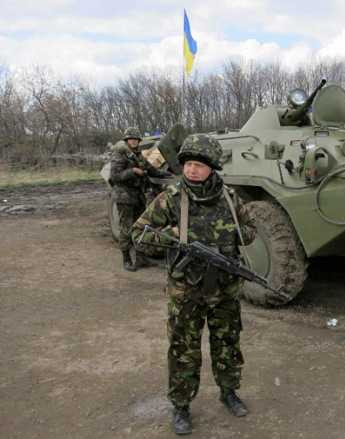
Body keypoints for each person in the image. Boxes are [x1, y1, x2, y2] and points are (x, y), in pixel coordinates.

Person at [131, 134, 256, 435]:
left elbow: (251, 230)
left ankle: (229, 392)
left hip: (225, 289)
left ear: (212, 167)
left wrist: (232, 233)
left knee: (227, 343)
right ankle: (181, 406)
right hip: (186, 291)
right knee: (183, 350)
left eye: (199, 165)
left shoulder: (230, 197)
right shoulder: (171, 198)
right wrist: (173, 235)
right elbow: (138, 234)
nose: (192, 170)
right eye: (188, 164)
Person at [108, 127, 165, 271]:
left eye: (136, 139)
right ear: (126, 140)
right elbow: (115, 176)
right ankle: (126, 259)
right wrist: (132, 171)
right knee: (126, 228)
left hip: (137, 195)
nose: (133, 141)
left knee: (139, 227)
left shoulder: (137, 153)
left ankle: (141, 258)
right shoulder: (119, 154)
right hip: (124, 196)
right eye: (131, 139)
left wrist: (161, 174)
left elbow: (148, 168)